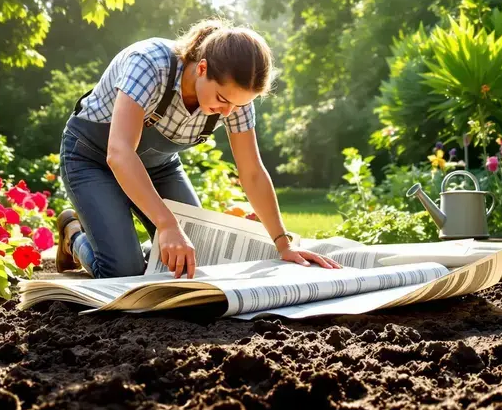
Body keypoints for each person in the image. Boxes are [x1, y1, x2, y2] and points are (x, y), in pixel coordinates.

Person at [54, 19, 341, 279]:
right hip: (91, 158)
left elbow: (252, 172)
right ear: (202, 68)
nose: (228, 112)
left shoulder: (234, 100)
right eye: (221, 98)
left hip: (158, 167)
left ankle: (125, 243)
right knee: (122, 271)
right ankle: (74, 236)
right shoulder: (150, 64)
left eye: (238, 105)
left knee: (197, 259)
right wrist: (167, 225)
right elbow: (119, 153)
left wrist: (283, 243)